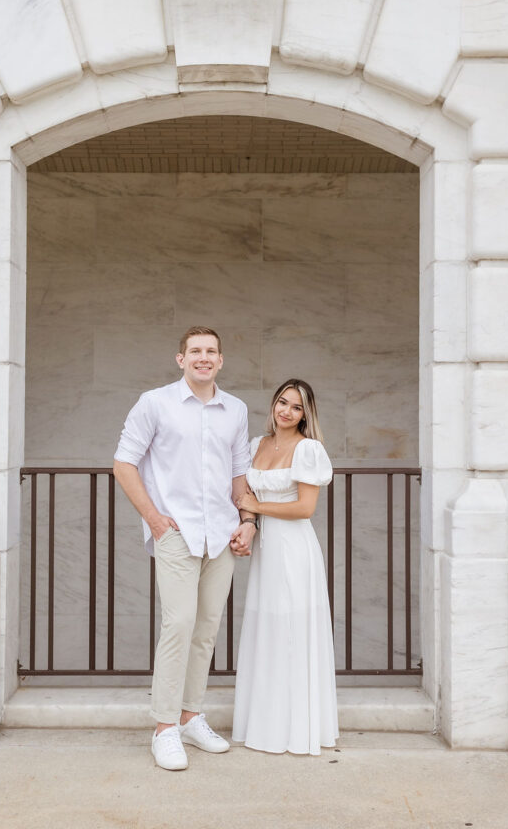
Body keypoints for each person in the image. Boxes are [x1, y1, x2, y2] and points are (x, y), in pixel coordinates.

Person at [113, 327, 257, 771]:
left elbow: (239, 474)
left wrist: (248, 522)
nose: (203, 358)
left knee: (207, 627)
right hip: (176, 531)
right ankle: (164, 728)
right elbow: (123, 462)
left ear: (221, 359)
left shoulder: (235, 409)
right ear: (181, 359)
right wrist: (154, 519)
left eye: (210, 351)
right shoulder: (154, 403)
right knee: (178, 624)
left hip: (223, 533)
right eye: (195, 351)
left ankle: (192, 716)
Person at [232, 378, 339, 755]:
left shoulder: (308, 449)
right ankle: (266, 726)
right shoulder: (255, 445)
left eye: (296, 407)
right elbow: (243, 494)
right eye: (282, 402)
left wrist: (256, 507)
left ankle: (296, 730)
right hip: (266, 550)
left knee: (292, 631)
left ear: (305, 414)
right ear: (273, 404)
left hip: (295, 549)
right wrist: (248, 522)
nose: (286, 411)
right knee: (268, 630)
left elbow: (304, 509)